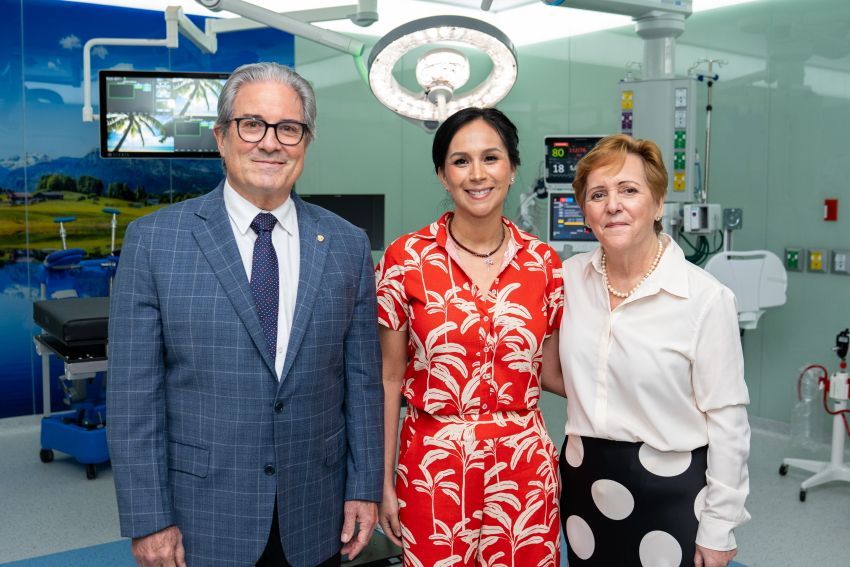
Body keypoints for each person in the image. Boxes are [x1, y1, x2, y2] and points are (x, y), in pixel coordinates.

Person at [107, 62, 384, 567]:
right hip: (201, 516)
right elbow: (133, 398)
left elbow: (363, 382)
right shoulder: (155, 242)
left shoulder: (347, 244)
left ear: (306, 141)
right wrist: (149, 517)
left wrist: (364, 486)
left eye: (289, 128)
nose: (270, 143)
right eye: (252, 124)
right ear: (221, 136)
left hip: (316, 510)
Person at [375, 107, 563, 566]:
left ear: (512, 168)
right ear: (443, 175)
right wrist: (382, 481)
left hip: (524, 468)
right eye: (461, 161)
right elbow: (389, 379)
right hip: (432, 467)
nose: (477, 174)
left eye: (491, 158)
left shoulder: (543, 263)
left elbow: (555, 372)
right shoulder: (406, 259)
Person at [552, 133, 750, 567]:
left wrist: (720, 525)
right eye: (598, 195)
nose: (613, 205)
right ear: (585, 213)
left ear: (658, 203)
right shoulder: (566, 282)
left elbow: (729, 422)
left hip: (671, 489)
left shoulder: (704, 299)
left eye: (629, 190)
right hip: (585, 480)